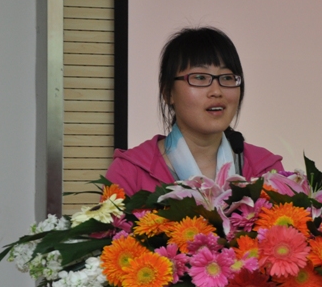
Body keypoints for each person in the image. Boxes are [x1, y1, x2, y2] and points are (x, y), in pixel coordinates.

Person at [106, 27, 284, 195]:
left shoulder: (266, 171)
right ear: (168, 92)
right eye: (200, 77)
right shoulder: (130, 172)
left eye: (227, 77)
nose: (216, 91)